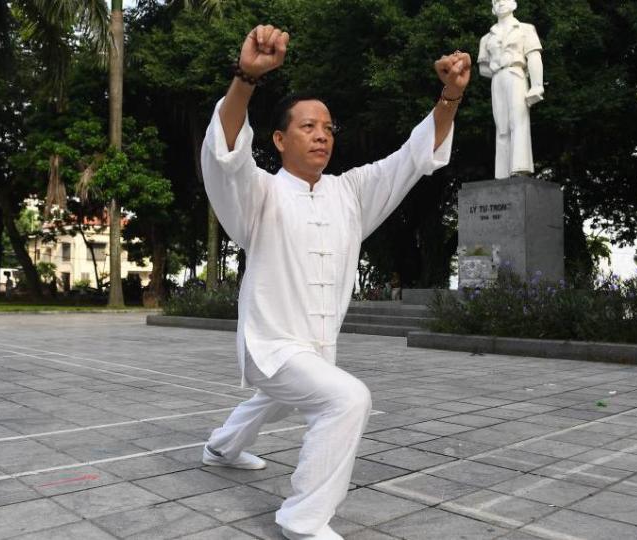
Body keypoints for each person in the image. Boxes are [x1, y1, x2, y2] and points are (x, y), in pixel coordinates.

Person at [199, 24, 470, 540]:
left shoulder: (351, 192)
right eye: (307, 126)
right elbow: (226, 154)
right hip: (272, 346)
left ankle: (220, 447)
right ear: (279, 140)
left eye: (327, 127)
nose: (321, 134)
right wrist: (246, 78)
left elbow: (412, 157)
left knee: (276, 398)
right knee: (347, 399)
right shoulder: (256, 193)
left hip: (314, 349)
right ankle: (301, 519)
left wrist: (451, 95)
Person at [478, 0, 544, 179]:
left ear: (514, 4)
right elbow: (482, 68)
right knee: (502, 126)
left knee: (518, 121)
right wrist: (492, 67)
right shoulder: (487, 38)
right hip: (497, 78)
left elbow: (534, 56)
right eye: (496, 1)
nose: (500, 3)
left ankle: (520, 166)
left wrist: (537, 85)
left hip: (516, 74)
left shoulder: (525, 29)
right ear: (492, 8)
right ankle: (502, 173)